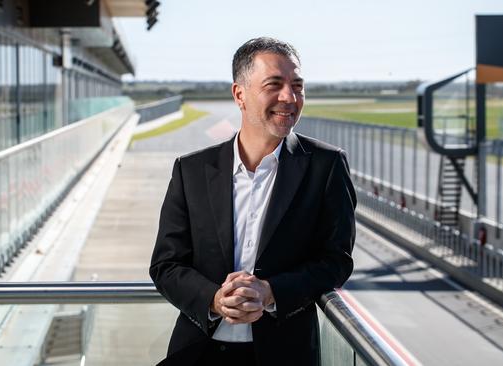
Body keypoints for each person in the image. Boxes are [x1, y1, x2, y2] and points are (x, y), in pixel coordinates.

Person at [150, 37, 357, 366]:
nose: (289, 98)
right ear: (239, 95)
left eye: (297, 86)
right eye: (274, 85)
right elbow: (166, 264)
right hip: (196, 354)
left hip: (285, 356)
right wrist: (215, 300)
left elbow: (336, 261)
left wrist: (271, 292)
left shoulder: (326, 166)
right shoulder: (191, 170)